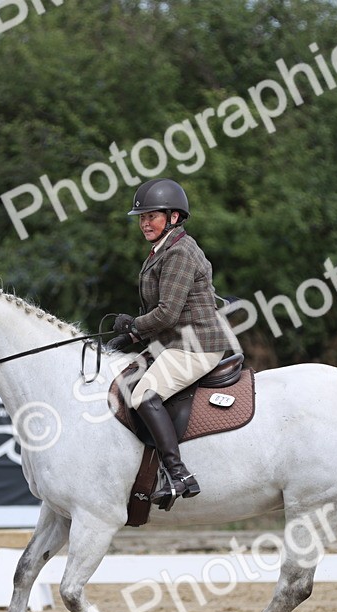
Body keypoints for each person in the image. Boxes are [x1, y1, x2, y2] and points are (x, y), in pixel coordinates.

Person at [110, 178, 239, 509]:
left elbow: (167, 314)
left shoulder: (179, 252)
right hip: (175, 342)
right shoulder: (163, 249)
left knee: (144, 395)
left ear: (174, 217)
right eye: (141, 217)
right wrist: (134, 335)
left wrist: (135, 323)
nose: (145, 223)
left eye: (152, 216)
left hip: (197, 346)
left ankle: (178, 473)